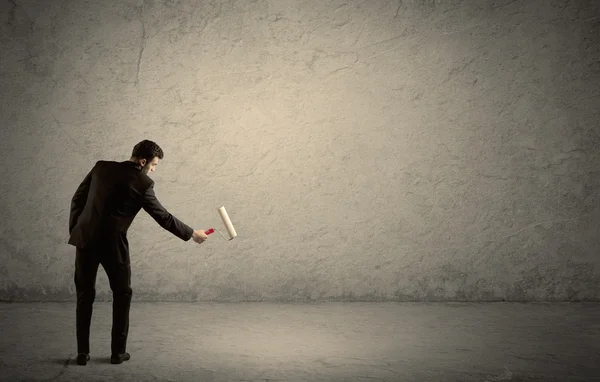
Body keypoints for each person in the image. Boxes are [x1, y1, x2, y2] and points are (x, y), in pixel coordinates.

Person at [67, 139, 208, 366]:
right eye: (153, 165)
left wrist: (77, 229)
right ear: (143, 161)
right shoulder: (143, 183)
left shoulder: (100, 167)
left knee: (85, 295)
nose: (152, 170)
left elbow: (77, 199)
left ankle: (82, 353)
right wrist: (192, 233)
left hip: (84, 240)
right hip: (114, 246)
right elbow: (164, 217)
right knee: (122, 295)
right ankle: (117, 353)